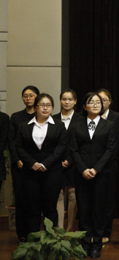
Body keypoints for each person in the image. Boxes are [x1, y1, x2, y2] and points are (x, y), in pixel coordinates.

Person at [70, 92, 117, 259]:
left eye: (98, 102)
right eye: (91, 102)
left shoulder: (109, 125)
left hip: (101, 174)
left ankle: (96, 243)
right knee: (84, 209)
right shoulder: (76, 125)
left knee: (99, 209)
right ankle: (85, 243)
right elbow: (73, 149)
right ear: (84, 106)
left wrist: (96, 169)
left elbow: (110, 149)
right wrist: (83, 169)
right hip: (81, 174)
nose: (96, 105)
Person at [15, 93, 68, 235]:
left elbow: (62, 146)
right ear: (36, 107)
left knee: (50, 208)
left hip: (52, 172)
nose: (45, 108)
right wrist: (32, 163)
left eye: (48, 105)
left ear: (52, 107)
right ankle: (34, 240)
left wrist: (45, 164)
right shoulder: (24, 126)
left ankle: (50, 240)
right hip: (30, 172)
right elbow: (19, 147)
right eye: (42, 105)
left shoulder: (59, 125)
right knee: (32, 208)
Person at [9, 85, 39, 241]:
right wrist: (17, 160)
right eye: (25, 96)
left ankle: (35, 233)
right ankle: (22, 234)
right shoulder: (16, 117)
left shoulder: (42, 116)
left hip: (36, 165)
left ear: (37, 97)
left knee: (35, 201)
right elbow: (11, 141)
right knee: (21, 200)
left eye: (31, 95)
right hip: (19, 165)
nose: (28, 98)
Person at [54, 89, 83, 232]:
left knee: (73, 195)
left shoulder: (81, 119)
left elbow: (81, 143)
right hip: (56, 162)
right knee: (59, 194)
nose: (67, 102)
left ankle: (70, 228)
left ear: (75, 101)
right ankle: (60, 228)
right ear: (60, 101)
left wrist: (70, 160)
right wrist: (58, 159)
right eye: (64, 99)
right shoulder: (53, 118)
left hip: (74, 161)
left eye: (70, 99)